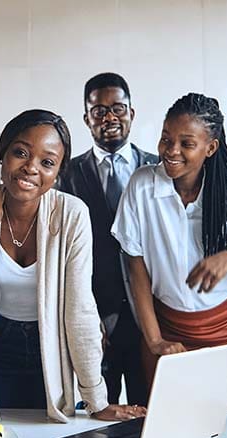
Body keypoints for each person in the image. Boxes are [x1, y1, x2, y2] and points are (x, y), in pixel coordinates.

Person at [0, 110, 143, 422]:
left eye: (47, 162)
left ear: (58, 171)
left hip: (51, 346)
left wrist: (96, 400)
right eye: (20, 152)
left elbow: (79, 310)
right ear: (3, 154)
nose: (31, 168)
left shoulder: (72, 214)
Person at [112, 93, 227, 388]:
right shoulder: (141, 186)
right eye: (166, 139)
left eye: (187, 143)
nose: (171, 150)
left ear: (210, 147)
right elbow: (136, 270)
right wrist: (155, 341)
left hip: (225, 330)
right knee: (167, 426)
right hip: (166, 331)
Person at [59, 72, 157, 405]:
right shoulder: (66, 174)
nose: (110, 117)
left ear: (132, 112)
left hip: (154, 315)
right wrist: (84, 314)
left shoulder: (158, 170)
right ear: (87, 118)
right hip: (97, 318)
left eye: (118, 107)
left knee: (153, 410)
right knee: (99, 414)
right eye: (99, 111)